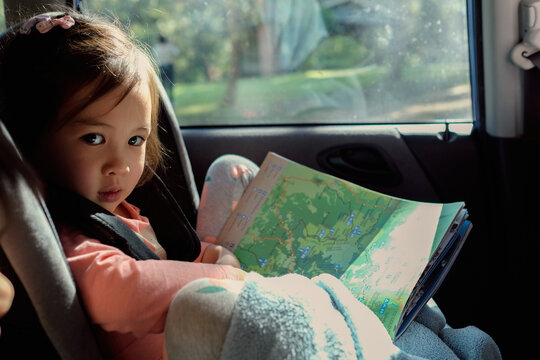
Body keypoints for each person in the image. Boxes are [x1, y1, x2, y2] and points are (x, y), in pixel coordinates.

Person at [0, 9, 251, 359]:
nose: (119, 164)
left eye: (136, 141)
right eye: (93, 138)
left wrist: (209, 254)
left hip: (209, 322)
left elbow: (170, 256)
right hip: (185, 343)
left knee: (231, 170)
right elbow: (123, 293)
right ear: (32, 142)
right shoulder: (68, 233)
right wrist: (230, 275)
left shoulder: (123, 209)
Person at [153, 35, 179, 100]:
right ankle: (171, 100)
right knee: (170, 85)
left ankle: (163, 100)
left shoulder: (156, 47)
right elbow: (176, 53)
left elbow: (154, 56)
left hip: (161, 67)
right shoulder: (169, 47)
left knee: (163, 85)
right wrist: (171, 45)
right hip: (169, 66)